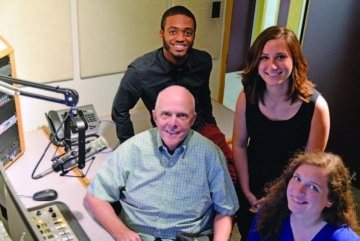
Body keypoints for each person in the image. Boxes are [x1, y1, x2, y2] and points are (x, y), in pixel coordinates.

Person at [84, 85, 239, 241]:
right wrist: (120, 232)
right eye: (166, 114)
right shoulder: (132, 149)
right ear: (155, 116)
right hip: (137, 237)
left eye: (182, 116)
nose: (173, 123)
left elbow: (226, 211)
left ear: (193, 119)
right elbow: (95, 197)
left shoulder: (210, 155)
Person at [111, 5, 237, 182]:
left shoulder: (203, 61)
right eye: (173, 31)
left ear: (193, 36)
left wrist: (211, 128)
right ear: (161, 34)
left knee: (229, 173)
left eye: (187, 32)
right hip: (166, 132)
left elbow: (203, 96)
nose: (180, 38)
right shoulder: (139, 71)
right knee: (174, 182)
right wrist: (129, 148)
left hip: (199, 125)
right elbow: (120, 111)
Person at [232, 26, 330, 240]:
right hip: (252, 182)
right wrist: (247, 190)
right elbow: (239, 145)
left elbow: (310, 168)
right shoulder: (247, 96)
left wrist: (275, 198)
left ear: (294, 59)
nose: (272, 65)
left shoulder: (316, 107)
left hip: (294, 190)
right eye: (264, 57)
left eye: (280, 57)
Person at [247, 151, 360, 241]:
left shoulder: (343, 238)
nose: (298, 191)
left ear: (330, 200)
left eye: (313, 187)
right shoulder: (266, 215)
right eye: (297, 178)